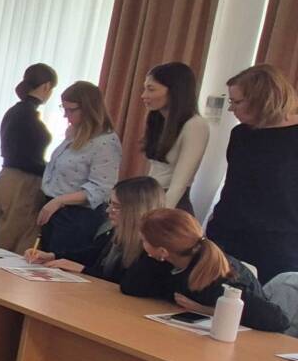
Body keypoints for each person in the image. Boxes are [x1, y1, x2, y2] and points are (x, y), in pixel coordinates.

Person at [123, 209, 291, 331]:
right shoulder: (168, 261)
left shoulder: (218, 276)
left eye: (144, 241)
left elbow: (278, 320)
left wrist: (204, 310)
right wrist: (152, 256)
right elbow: (131, 287)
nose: (142, 244)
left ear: (163, 250)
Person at [205, 64, 298, 282]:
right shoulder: (240, 134)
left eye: (237, 102)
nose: (231, 109)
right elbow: (233, 185)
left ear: (263, 99)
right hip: (228, 234)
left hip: (278, 244)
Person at [25, 176, 166, 286]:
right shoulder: (115, 233)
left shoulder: (151, 248)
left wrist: (83, 270)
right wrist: (52, 256)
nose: (108, 210)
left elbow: (127, 284)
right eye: (110, 203)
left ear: (135, 211)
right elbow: (92, 253)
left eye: (116, 206)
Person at [37, 81, 121, 258]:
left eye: (71, 110)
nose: (65, 115)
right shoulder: (74, 133)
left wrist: (59, 201)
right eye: (64, 108)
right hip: (55, 208)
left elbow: (101, 188)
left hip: (76, 216)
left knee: (58, 264)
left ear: (89, 109)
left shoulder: (105, 142)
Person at [0, 63, 57, 252]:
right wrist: (50, 169)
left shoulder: (17, 111)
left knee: (9, 233)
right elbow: (25, 157)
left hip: (10, 178)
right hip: (23, 181)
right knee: (15, 240)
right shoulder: (26, 115)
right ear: (47, 86)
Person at [140, 62, 207, 211]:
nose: (144, 95)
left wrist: (159, 215)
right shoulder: (159, 120)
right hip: (151, 197)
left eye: (151, 89)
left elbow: (179, 184)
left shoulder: (195, 125)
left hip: (171, 204)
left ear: (174, 91)